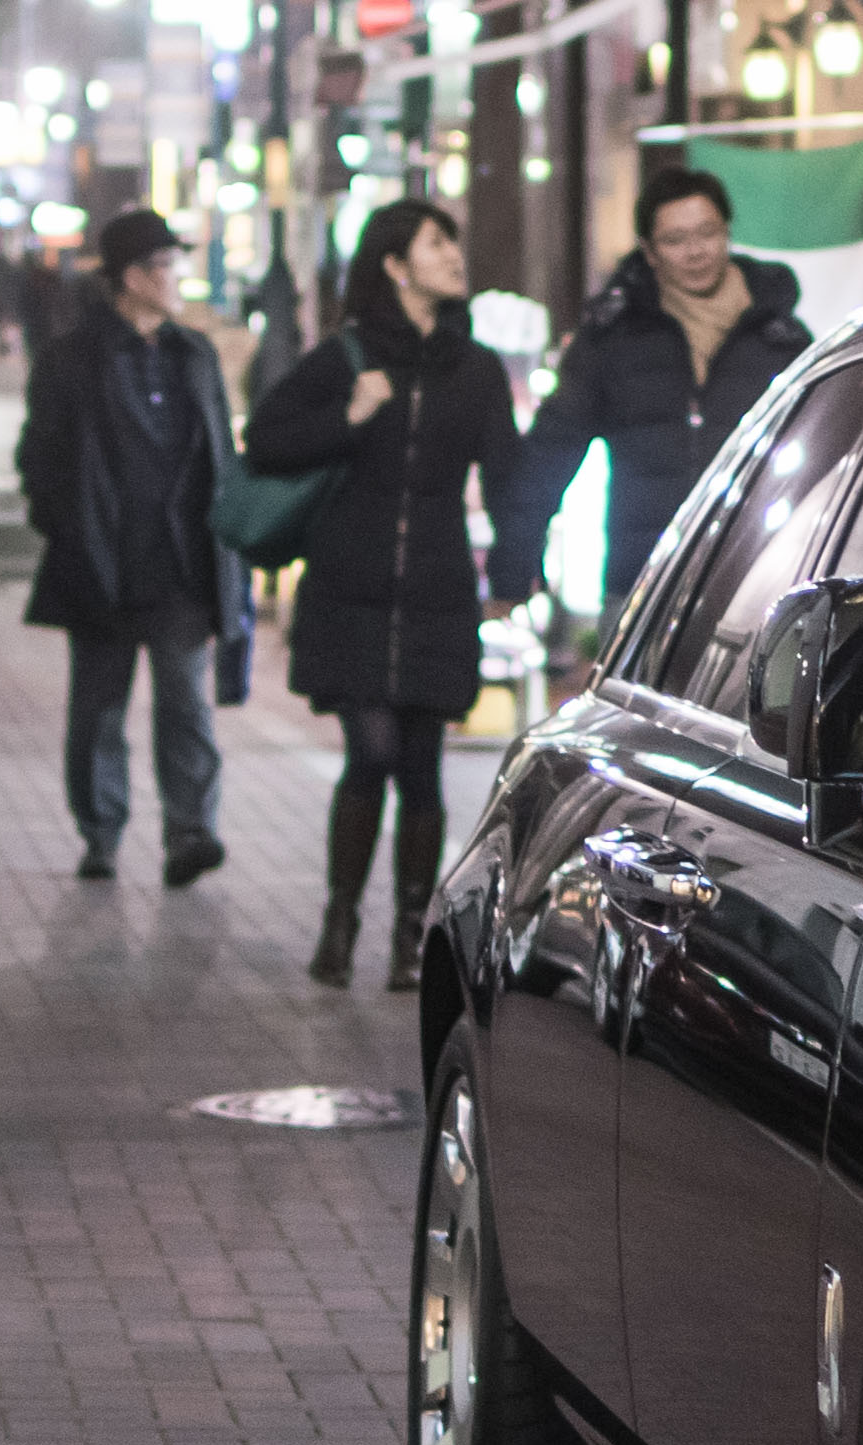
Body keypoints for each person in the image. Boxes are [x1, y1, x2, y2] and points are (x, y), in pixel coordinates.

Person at [243, 198, 532, 990]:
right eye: (436, 243)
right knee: (368, 753)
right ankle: (341, 920)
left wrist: (512, 573)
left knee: (423, 765)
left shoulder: (474, 369)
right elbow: (266, 439)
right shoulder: (345, 358)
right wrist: (349, 414)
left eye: (452, 241)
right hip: (351, 586)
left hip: (438, 586)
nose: (453, 256)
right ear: (396, 265)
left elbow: (508, 478)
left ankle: (410, 934)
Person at [18, 209, 251, 887]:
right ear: (128, 277)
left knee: (186, 702)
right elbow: (42, 457)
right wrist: (64, 525)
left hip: (181, 560)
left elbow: (219, 455)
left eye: (175, 265)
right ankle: (101, 832)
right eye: (162, 266)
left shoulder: (193, 354)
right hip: (102, 560)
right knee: (98, 708)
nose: (175, 278)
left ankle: (190, 830)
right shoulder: (72, 357)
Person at [516, 168, 808, 620]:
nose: (695, 251)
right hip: (642, 584)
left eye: (707, 233)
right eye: (675, 240)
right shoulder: (615, 336)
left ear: (727, 234)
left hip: (757, 582)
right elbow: (554, 446)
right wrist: (518, 554)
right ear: (650, 252)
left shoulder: (779, 337)